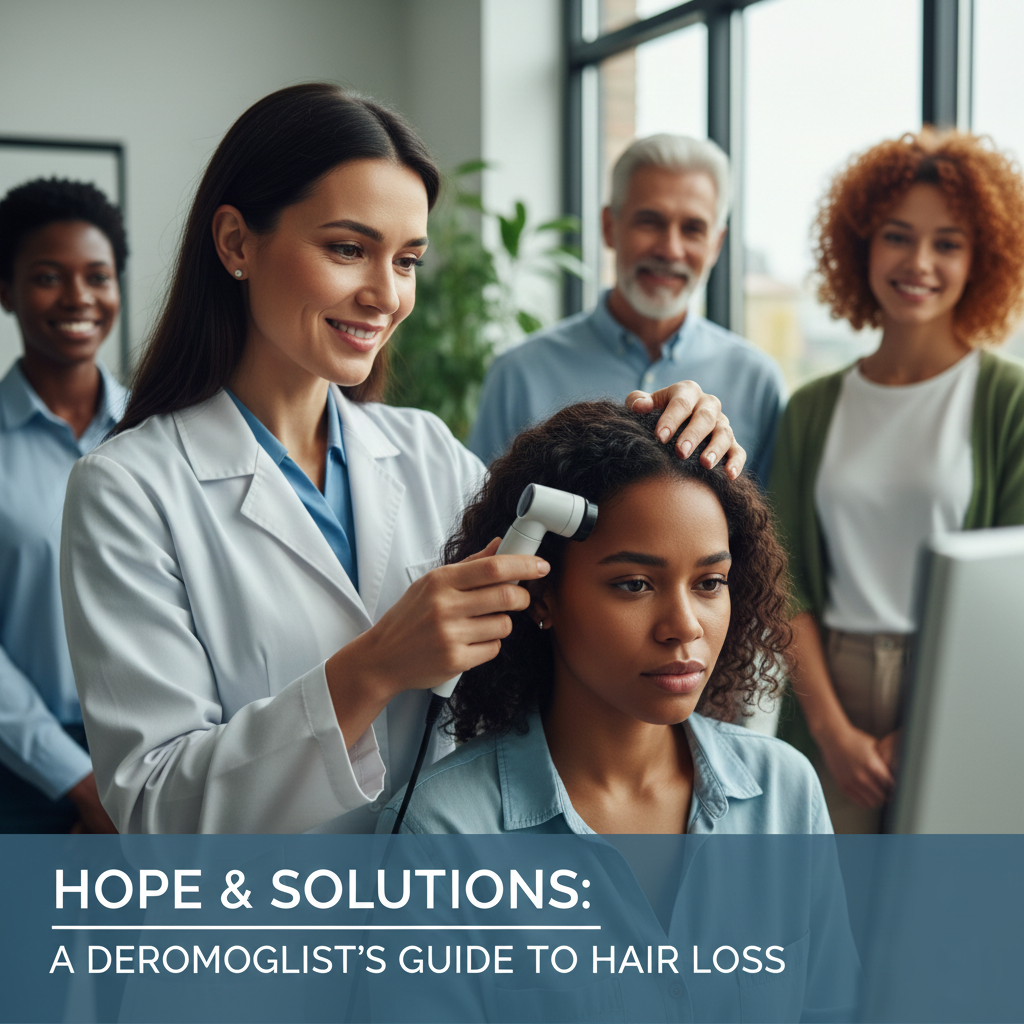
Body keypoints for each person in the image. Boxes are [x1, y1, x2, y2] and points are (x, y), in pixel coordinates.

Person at [59, 84, 744, 835]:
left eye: (408, 259)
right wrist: (376, 665)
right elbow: (157, 809)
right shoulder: (127, 489)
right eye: (348, 249)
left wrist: (667, 439)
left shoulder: (426, 452)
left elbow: (584, 592)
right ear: (235, 243)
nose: (385, 294)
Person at [377, 400, 829, 836]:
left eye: (709, 583)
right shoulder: (441, 832)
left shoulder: (785, 793)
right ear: (540, 595)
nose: (686, 626)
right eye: (634, 584)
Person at [769, 129, 1024, 833]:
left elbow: (1014, 588)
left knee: (945, 918)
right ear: (861, 245)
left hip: (964, 680)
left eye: (948, 242)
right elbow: (782, 574)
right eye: (897, 236)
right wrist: (833, 731)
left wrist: (929, 729)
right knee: (831, 924)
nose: (919, 262)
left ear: (982, 260)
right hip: (830, 685)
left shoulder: (1007, 400)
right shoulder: (812, 407)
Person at [468, 134, 786, 485]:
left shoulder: (758, 383)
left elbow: (763, 535)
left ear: (716, 245)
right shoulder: (518, 375)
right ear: (609, 226)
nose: (670, 249)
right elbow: (485, 525)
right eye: (650, 222)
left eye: (693, 229)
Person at [0, 178, 127, 833]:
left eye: (98, 276)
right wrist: (80, 782)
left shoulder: (163, 433)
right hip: (20, 775)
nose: (79, 297)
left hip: (156, 752)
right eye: (49, 276)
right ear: (6, 290)